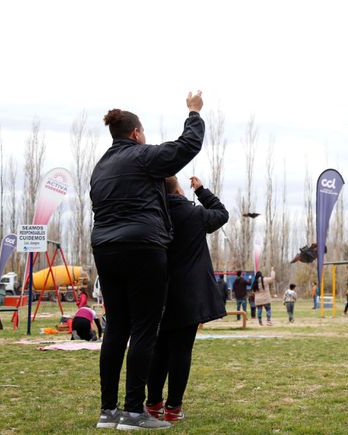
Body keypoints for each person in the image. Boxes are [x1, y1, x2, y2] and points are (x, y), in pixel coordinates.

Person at [91, 91, 204, 430]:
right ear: (136, 133)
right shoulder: (142, 156)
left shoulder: (100, 168)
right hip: (142, 247)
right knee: (144, 329)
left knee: (116, 328)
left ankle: (108, 411)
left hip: (104, 249)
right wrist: (194, 112)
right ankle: (133, 412)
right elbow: (187, 146)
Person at [145, 175, 228, 423]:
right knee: (181, 352)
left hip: (158, 294)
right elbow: (221, 214)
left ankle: (153, 404)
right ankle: (173, 408)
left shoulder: (152, 215)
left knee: (158, 350)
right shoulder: (194, 215)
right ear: (178, 189)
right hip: (190, 295)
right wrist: (201, 191)